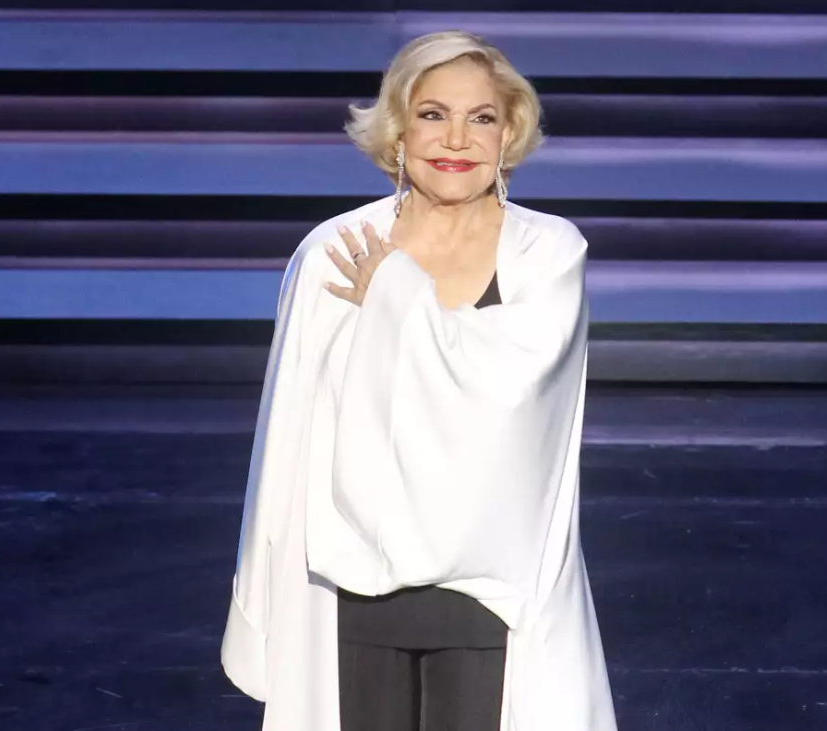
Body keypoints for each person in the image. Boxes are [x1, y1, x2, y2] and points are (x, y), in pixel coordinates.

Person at [220, 30, 618, 731]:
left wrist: (396, 295)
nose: (456, 139)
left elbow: (512, 396)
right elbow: (290, 432)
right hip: (349, 585)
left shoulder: (547, 251)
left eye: (481, 117)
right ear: (399, 129)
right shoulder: (337, 250)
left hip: (491, 593)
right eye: (433, 114)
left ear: (508, 135)